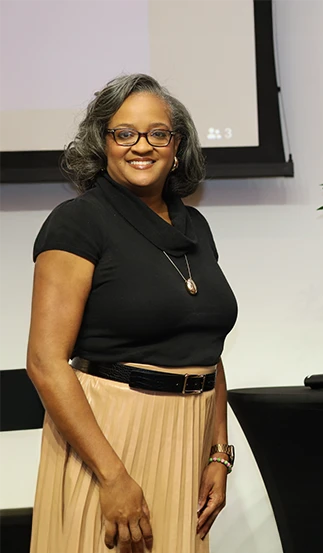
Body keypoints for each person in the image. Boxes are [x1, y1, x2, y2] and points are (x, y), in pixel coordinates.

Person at [26, 74, 238, 553]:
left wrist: (218, 455)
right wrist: (113, 475)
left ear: (177, 144)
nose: (141, 146)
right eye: (125, 133)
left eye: (157, 133)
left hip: (189, 440)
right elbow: (44, 362)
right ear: (102, 142)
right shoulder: (79, 222)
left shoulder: (194, 225)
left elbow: (207, 344)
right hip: (109, 442)